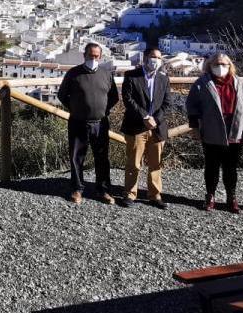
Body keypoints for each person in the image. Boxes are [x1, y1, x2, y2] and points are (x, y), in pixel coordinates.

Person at [186, 52, 243, 213]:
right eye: (216, 64)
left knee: (231, 167)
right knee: (211, 166)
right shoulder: (202, 83)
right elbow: (192, 105)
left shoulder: (240, 83)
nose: (220, 67)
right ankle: (210, 196)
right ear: (209, 66)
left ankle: (231, 197)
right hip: (212, 132)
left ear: (230, 66)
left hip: (235, 131)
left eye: (224, 64)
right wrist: (195, 128)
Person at [57, 42, 119, 204]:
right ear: (84, 55)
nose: (93, 58)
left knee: (102, 157)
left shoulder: (106, 74)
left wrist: (104, 110)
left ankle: (103, 190)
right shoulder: (73, 73)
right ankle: (77, 189)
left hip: (100, 123)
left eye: (96, 56)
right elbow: (62, 95)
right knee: (77, 157)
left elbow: (114, 97)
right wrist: (76, 109)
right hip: (78, 122)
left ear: (100, 57)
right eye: (90, 55)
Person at [119, 47, 173, 209]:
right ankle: (130, 194)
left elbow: (167, 102)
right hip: (136, 126)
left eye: (158, 58)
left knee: (156, 164)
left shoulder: (164, 79)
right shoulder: (131, 76)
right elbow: (128, 100)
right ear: (145, 58)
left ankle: (155, 195)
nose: (155, 60)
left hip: (157, 127)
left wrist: (155, 119)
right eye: (152, 57)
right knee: (133, 163)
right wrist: (145, 117)